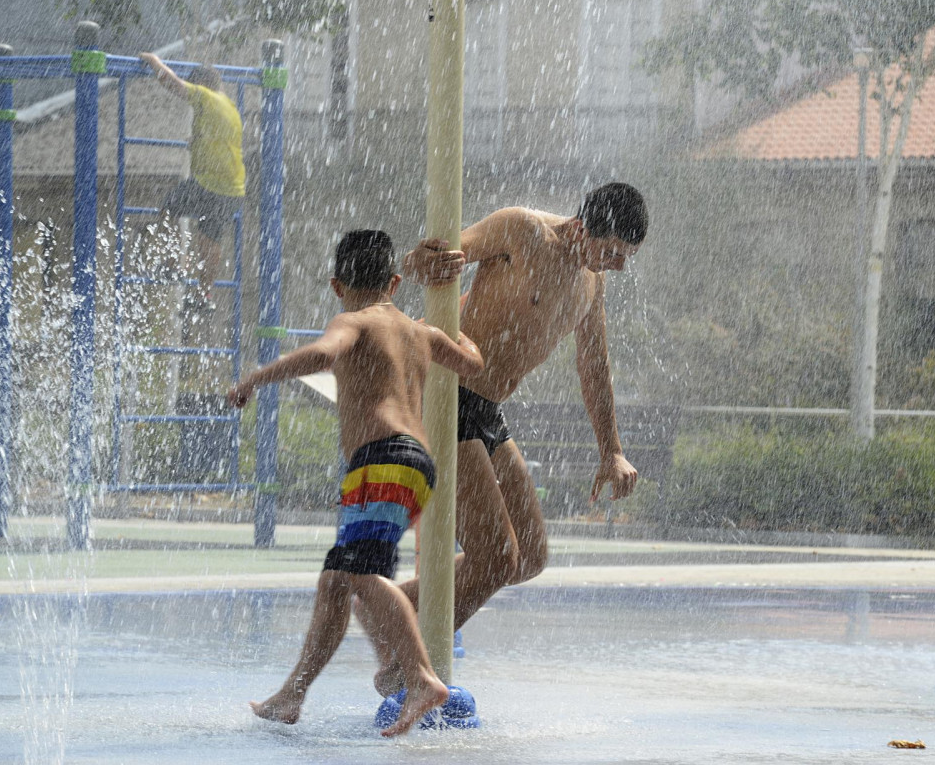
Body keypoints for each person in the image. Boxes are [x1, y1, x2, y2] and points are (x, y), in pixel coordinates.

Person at [360, 182, 649, 695]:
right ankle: (408, 661)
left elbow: (594, 364)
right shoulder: (522, 229)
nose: (617, 266)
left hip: (485, 407)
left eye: (625, 257)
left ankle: (395, 603)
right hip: (442, 389)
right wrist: (418, 262)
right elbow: (444, 255)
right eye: (613, 253)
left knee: (531, 554)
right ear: (583, 227)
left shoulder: (590, 282)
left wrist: (612, 451)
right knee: (496, 558)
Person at [228, 229, 484, 735]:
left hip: (380, 462)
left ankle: (421, 678)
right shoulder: (418, 331)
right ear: (394, 280)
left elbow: (324, 355)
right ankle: (291, 694)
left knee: (364, 579)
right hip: (414, 465)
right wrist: (453, 316)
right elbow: (473, 364)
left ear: (337, 285)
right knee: (336, 582)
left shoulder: (353, 321)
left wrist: (258, 378)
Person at [139, 51, 245, 300]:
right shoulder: (229, 107)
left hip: (209, 183)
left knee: (168, 208)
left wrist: (156, 63)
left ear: (201, 84)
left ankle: (174, 261)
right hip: (232, 188)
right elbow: (220, 140)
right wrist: (197, 141)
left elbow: (172, 83)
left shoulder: (205, 96)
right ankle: (203, 293)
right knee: (211, 236)